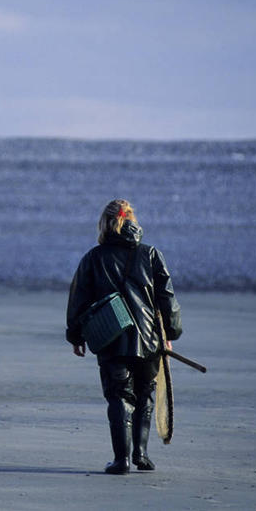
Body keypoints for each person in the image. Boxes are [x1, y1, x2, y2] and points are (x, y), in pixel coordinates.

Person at [66, 198, 182, 475]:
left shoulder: (93, 258)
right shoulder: (151, 254)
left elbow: (78, 300)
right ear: (132, 220)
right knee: (145, 395)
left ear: (105, 223)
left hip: (111, 339)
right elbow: (167, 298)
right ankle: (141, 454)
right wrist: (171, 333)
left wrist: (75, 336)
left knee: (119, 398)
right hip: (149, 339)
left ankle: (122, 461)